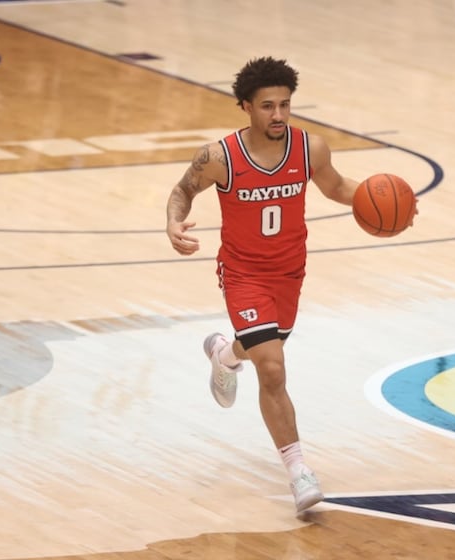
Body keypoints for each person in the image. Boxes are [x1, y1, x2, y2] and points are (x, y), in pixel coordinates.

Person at [165, 56, 411, 513]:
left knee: (263, 348)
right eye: (267, 106)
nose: (278, 115)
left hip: (289, 272)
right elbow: (183, 190)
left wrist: (393, 202)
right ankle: (299, 472)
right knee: (273, 368)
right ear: (245, 107)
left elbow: (337, 187)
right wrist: (174, 223)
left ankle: (224, 354)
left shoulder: (309, 148)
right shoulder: (219, 157)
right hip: (243, 273)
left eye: (284, 105)